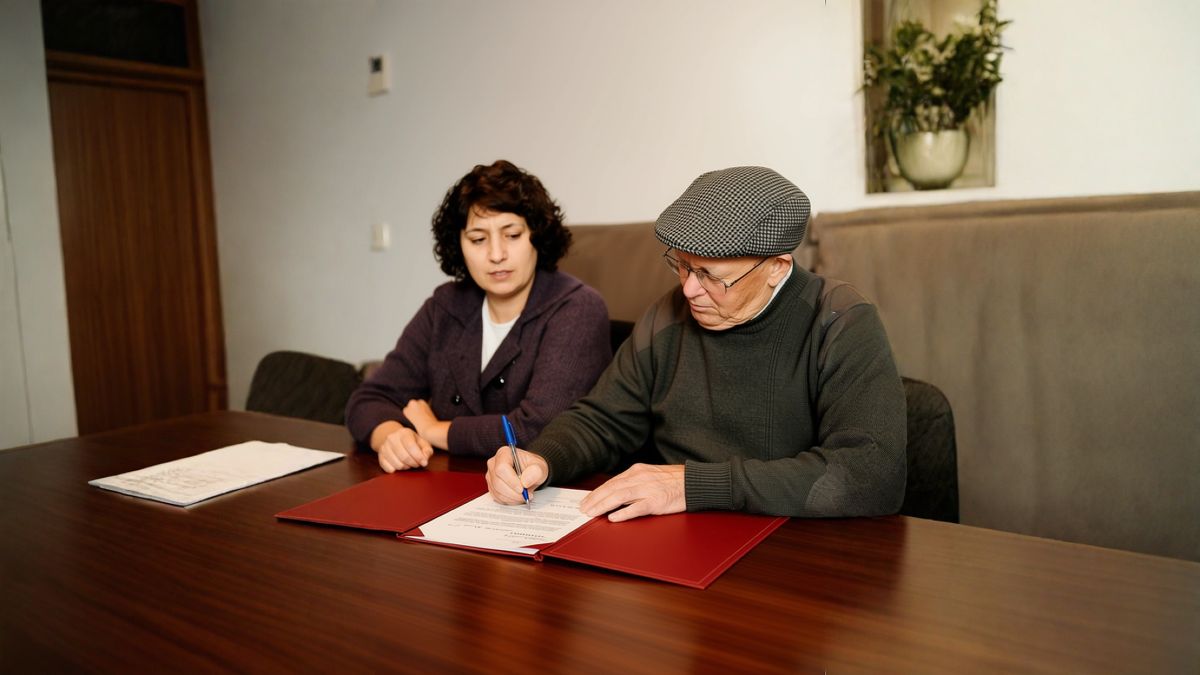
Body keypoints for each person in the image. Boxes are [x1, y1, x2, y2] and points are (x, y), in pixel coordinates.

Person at [485, 166, 906, 521]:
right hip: (679, 538)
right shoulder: (668, 315)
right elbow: (603, 419)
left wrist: (691, 484)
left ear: (777, 267)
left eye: (711, 276)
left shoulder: (839, 321)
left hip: (790, 545)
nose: (689, 290)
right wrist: (543, 459)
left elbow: (870, 475)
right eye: (682, 266)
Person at [346, 160, 612, 472]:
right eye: (478, 239)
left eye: (512, 235)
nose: (496, 255)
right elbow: (369, 398)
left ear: (537, 236)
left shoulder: (578, 308)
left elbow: (542, 429)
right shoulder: (445, 306)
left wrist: (434, 431)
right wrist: (391, 436)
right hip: (445, 484)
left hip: (539, 491)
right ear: (458, 244)